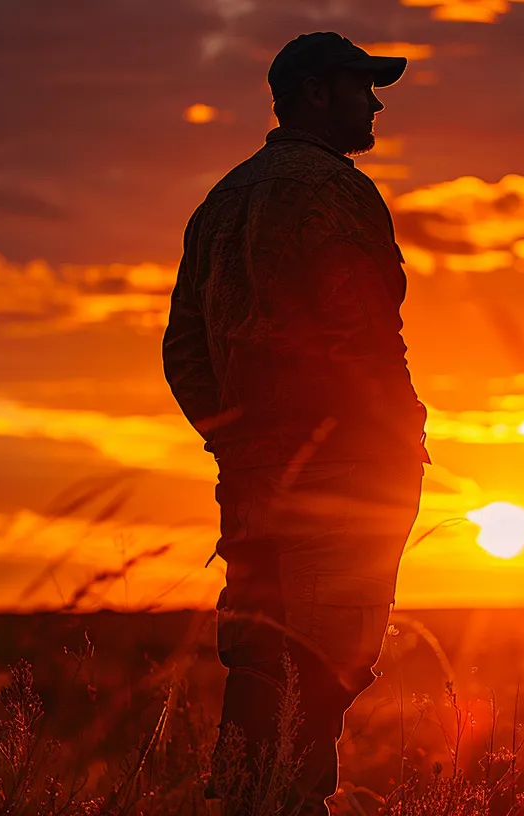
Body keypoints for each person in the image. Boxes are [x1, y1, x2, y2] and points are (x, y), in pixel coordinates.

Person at [162, 32, 430, 816]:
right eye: (360, 85)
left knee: (261, 666)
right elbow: (367, 334)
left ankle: (246, 801)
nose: (374, 101)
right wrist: (395, 443)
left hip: (252, 482)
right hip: (343, 474)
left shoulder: (223, 199)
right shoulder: (333, 191)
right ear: (314, 93)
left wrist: (238, 441)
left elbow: (183, 346)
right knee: (319, 672)